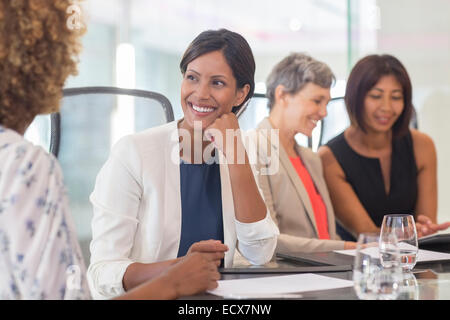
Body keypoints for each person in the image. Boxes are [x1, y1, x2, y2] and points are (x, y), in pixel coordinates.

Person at [0, 0, 220, 300]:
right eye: (192, 77)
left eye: (218, 83)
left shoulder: (234, 149)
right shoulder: (22, 164)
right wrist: (173, 282)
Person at [88, 29, 279, 299]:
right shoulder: (133, 153)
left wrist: (237, 157)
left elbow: (260, 252)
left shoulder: (240, 148)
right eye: (192, 78)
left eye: (217, 83)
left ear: (241, 94)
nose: (200, 94)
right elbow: (102, 272)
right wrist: (179, 271)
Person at [318, 54, 450, 241]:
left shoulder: (422, 145)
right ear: (355, 97)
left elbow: (426, 223)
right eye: (376, 96)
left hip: (409, 259)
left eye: (396, 97)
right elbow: (366, 234)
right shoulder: (328, 157)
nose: (386, 107)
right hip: (355, 262)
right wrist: (410, 233)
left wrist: (424, 230)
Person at [248, 53, 356, 253]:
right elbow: (268, 240)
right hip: (287, 278)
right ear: (282, 95)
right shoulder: (253, 148)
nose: (324, 112)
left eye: (326, 103)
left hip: (327, 274)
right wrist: (348, 248)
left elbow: (325, 235)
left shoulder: (311, 158)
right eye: (317, 101)